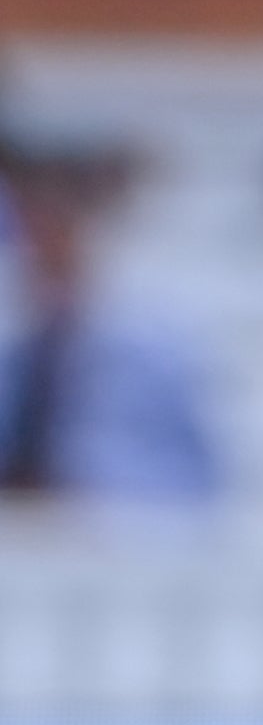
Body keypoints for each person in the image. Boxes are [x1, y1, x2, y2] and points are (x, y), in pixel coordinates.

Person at [0, 157, 221, 509]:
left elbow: (200, 471)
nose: (44, 260)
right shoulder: (17, 353)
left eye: (60, 250)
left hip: (120, 523)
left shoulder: (152, 350)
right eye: (36, 252)